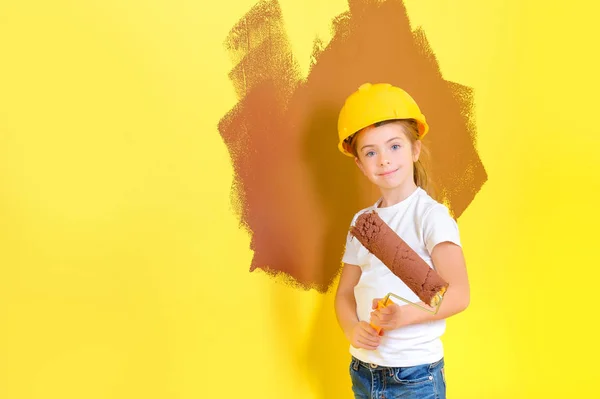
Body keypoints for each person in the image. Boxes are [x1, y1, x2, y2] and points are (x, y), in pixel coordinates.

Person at [334, 83, 470, 399]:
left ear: (415, 149)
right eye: (371, 152)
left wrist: (403, 316)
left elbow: (459, 294)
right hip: (364, 371)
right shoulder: (362, 223)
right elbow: (344, 294)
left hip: (414, 375)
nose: (384, 159)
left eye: (394, 146)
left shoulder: (431, 216)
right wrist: (351, 329)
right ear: (359, 163)